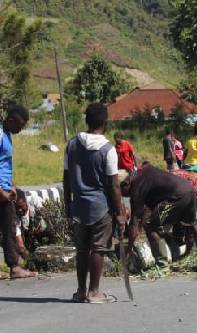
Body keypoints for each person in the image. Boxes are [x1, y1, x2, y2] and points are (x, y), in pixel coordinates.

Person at [63, 103, 125, 302]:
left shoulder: (72, 145)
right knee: (98, 248)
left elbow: (66, 178)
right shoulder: (108, 150)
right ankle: (94, 291)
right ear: (105, 124)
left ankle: (81, 290)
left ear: (86, 121)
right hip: (100, 207)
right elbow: (114, 186)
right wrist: (120, 212)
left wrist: (67, 204)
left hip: (79, 205)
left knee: (82, 249)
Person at [0, 104, 36, 279]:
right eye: (19, 125)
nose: (20, 129)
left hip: (5, 188)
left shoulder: (7, 134)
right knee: (10, 227)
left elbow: (3, 164)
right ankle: (14, 266)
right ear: (11, 120)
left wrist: (12, 185)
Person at [121, 163, 197, 271]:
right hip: (188, 189)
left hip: (176, 197)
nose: (122, 195)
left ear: (126, 183)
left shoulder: (136, 189)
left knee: (150, 226)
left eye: (121, 191)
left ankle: (162, 264)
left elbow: (134, 223)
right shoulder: (143, 173)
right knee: (193, 224)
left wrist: (129, 248)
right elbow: (144, 213)